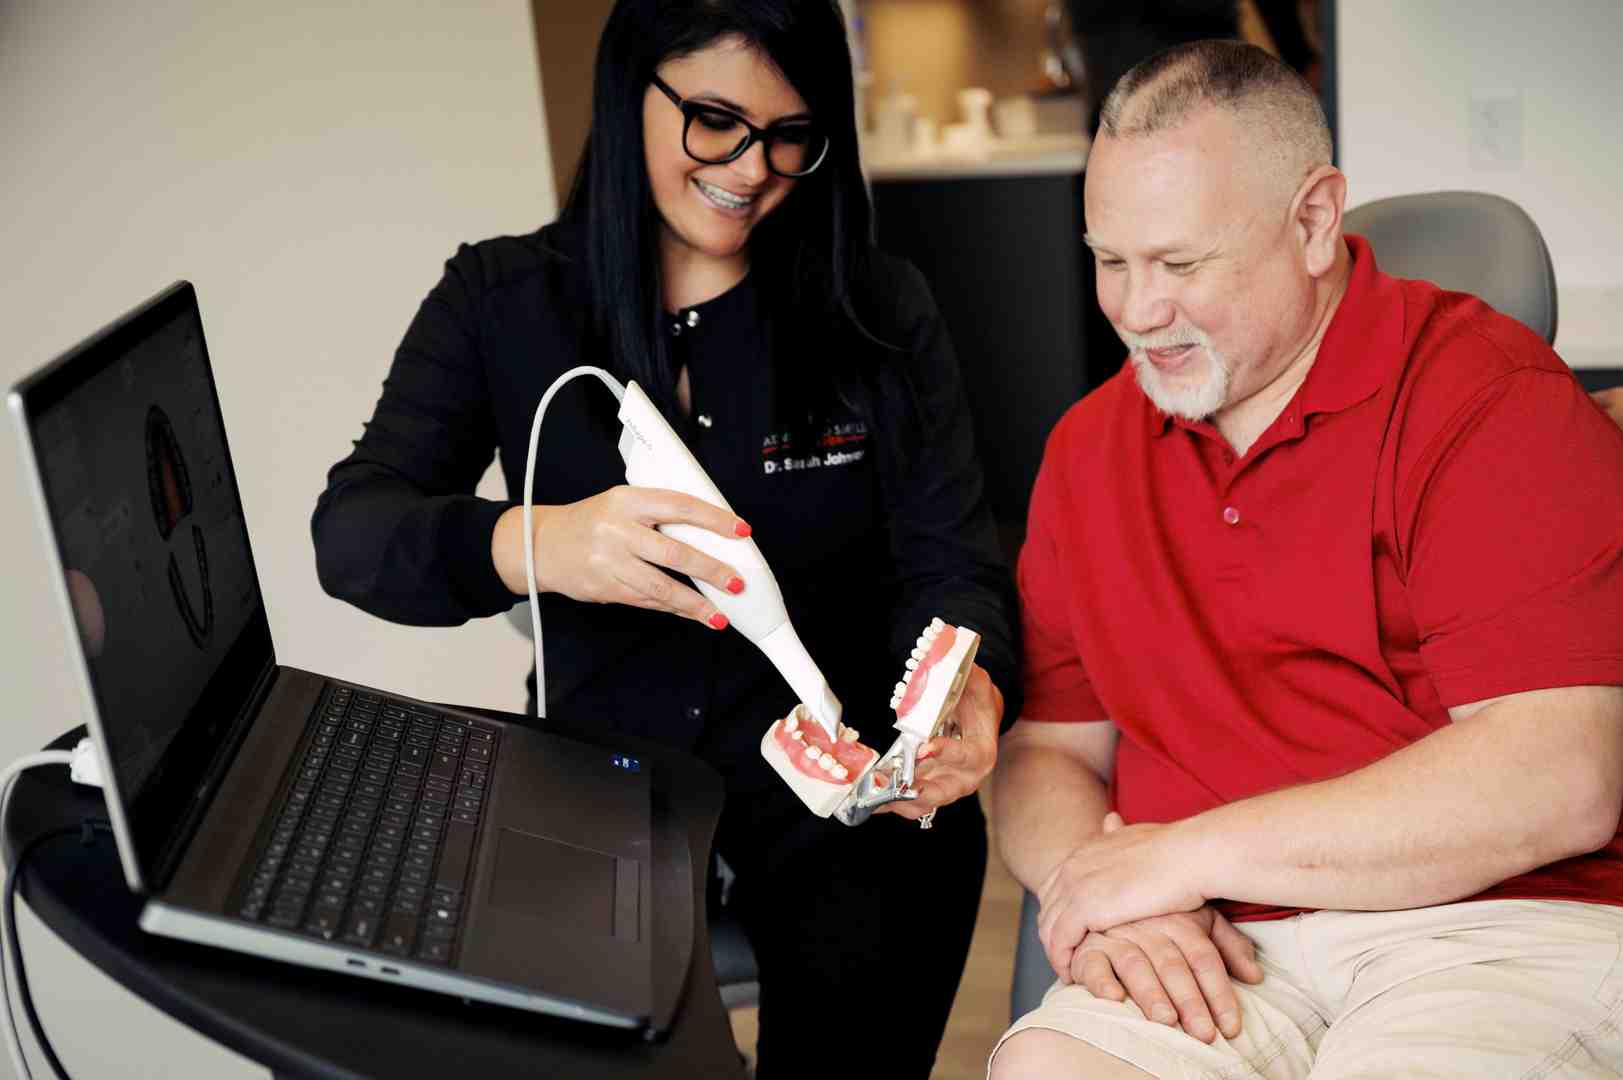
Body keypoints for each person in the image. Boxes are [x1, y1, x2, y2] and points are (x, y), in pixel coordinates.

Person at [310, 1, 1019, 1076]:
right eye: (715, 120)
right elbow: (352, 536)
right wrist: (538, 543)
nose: (753, 167)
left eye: (791, 134)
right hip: (603, 793)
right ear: (629, 86)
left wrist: (970, 688)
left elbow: (953, 561)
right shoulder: (506, 302)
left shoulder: (877, 311)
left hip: (853, 797)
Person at [987, 40, 1623, 1078]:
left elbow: (1560, 776)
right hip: (1213, 946)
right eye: (1111, 260)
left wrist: (1178, 855)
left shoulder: (1493, 403)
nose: (1137, 311)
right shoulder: (1087, 450)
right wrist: (1098, 894)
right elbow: (1052, 751)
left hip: (1495, 930)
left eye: (1182, 265)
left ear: (1315, 222)